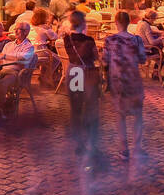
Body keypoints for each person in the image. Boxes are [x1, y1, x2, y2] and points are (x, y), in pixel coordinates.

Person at [102, 11, 151, 165]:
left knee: (120, 116)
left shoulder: (109, 40)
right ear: (129, 22)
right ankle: (137, 147)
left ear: (116, 22)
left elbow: (104, 61)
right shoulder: (136, 40)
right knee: (137, 115)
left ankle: (124, 149)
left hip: (118, 82)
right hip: (133, 79)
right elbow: (143, 59)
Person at [63, 11, 104, 175]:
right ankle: (91, 143)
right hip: (86, 72)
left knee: (75, 107)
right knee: (90, 107)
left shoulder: (67, 38)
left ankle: (78, 142)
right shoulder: (89, 40)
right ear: (83, 23)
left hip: (73, 72)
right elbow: (95, 58)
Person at [0, 21, 35, 109]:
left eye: (18, 30)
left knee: (1, 84)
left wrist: (6, 56)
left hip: (17, 73)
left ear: (26, 32)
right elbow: (0, 57)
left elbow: (21, 59)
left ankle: (1, 107)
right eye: (15, 29)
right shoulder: (9, 45)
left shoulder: (29, 47)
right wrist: (12, 57)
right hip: (3, 70)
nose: (15, 32)